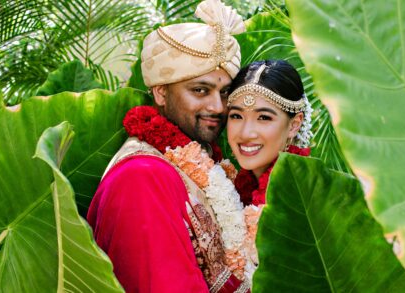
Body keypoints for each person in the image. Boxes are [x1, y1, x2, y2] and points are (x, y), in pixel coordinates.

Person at [86, 0, 250, 292]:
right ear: (161, 92)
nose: (217, 106)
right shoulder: (141, 177)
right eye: (200, 90)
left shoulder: (202, 162)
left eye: (225, 93)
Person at [226, 60, 313, 206]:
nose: (246, 133)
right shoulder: (236, 188)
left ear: (294, 125)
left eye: (264, 117)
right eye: (236, 116)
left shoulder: (306, 196)